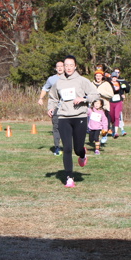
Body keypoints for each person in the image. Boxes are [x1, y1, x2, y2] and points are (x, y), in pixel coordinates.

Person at [47, 55, 99, 188]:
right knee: (67, 148)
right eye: (66, 65)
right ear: (63, 67)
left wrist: (84, 99)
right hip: (64, 117)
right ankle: (69, 178)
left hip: (79, 116)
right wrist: (51, 108)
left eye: (71, 65)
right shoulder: (58, 82)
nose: (68, 68)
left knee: (77, 148)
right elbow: (53, 97)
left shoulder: (82, 81)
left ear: (75, 66)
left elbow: (95, 94)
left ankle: (82, 153)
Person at [37, 61, 64, 155]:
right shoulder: (51, 79)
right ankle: (57, 147)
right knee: (56, 127)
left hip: (67, 107)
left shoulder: (70, 78)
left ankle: (68, 145)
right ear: (55, 68)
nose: (60, 68)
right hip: (56, 107)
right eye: (58, 66)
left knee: (67, 128)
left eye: (61, 66)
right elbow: (45, 88)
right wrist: (41, 98)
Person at [93, 69, 114, 147]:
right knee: (95, 124)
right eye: (97, 76)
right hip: (94, 108)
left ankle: (104, 135)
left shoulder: (106, 84)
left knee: (104, 123)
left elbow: (111, 94)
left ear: (102, 77)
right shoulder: (91, 84)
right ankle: (96, 138)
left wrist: (101, 93)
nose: (98, 77)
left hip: (104, 107)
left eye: (100, 76)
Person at [108, 71, 129, 137]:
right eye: (113, 77)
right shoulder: (108, 84)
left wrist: (122, 94)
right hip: (111, 101)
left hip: (118, 101)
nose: (114, 78)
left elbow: (122, 90)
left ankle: (116, 132)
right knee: (112, 117)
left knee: (117, 116)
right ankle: (112, 129)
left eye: (115, 77)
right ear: (111, 77)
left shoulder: (119, 83)